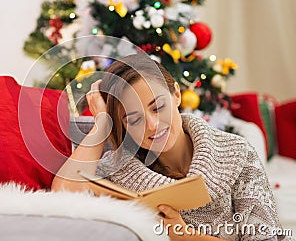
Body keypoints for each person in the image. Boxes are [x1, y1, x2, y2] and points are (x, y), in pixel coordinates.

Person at [51, 53, 290, 241]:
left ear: (176, 94)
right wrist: (102, 124)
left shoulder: (237, 153)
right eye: (134, 119)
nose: (153, 126)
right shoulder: (117, 172)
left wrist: (187, 236)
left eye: (157, 107)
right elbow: (62, 200)